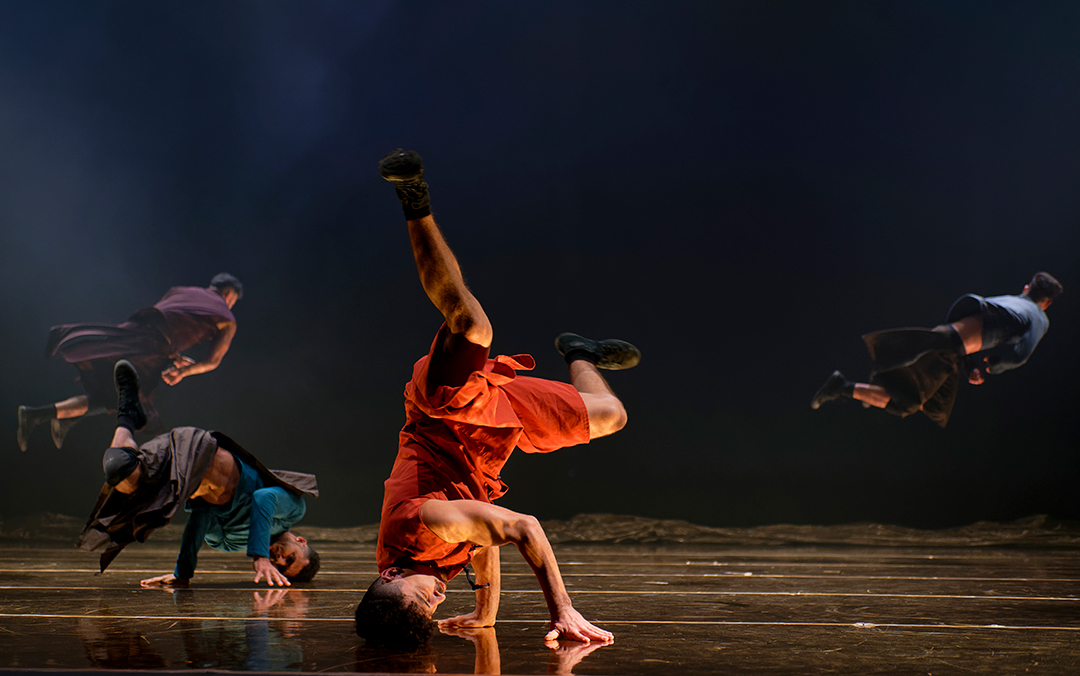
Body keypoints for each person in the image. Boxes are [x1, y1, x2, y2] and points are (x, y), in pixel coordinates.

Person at [354, 149, 640, 648]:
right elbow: (481, 538)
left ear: (389, 578)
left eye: (422, 600)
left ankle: (412, 197)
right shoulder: (428, 559)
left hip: (446, 409)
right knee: (613, 415)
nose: (436, 600)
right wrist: (485, 615)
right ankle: (581, 351)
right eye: (432, 609)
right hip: (494, 434)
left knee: (472, 325)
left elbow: (521, 527)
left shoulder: (416, 528)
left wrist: (563, 611)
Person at [77, 359, 320, 586]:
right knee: (123, 477)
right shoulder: (293, 510)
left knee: (120, 474)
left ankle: (127, 417)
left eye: (280, 568)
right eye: (290, 558)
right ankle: (129, 413)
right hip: (195, 451)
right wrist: (259, 556)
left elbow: (199, 518)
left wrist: (181, 574)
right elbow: (263, 499)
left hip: (180, 484)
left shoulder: (231, 544)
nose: (278, 560)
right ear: (301, 541)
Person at [17, 273, 243, 451]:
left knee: (109, 398)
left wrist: (174, 356)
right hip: (149, 350)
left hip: (135, 335)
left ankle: (37, 415)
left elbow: (166, 322)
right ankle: (131, 460)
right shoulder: (226, 316)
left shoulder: (181, 291)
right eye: (232, 300)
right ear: (229, 295)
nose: (230, 305)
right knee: (139, 410)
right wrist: (184, 371)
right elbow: (213, 361)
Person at [810, 272, 1063, 426]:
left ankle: (866, 390)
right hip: (946, 350)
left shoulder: (1010, 301)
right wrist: (994, 365)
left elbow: (973, 328)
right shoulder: (1039, 317)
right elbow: (1021, 355)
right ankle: (843, 387)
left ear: (1027, 287)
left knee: (936, 408)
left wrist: (971, 366)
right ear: (1047, 303)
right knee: (906, 403)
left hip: (947, 343)